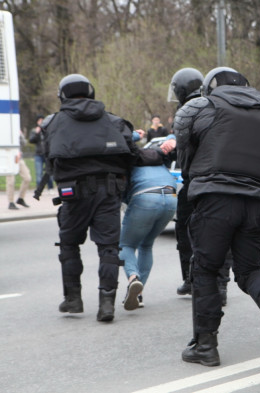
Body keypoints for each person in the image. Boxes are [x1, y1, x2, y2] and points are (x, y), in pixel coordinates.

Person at [175, 66, 260, 367]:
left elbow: (185, 156)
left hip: (215, 200)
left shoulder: (201, 107)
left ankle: (205, 345)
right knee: (249, 269)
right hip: (255, 202)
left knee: (205, 269)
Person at [42, 73, 158, 322]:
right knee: (108, 247)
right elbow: (131, 155)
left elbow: (48, 158)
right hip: (108, 192)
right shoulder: (114, 121)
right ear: (91, 92)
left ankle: (73, 299)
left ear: (62, 94)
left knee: (69, 244)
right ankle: (107, 305)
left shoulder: (53, 122)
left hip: (73, 194)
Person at [167, 67, 232, 304]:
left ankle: (191, 279)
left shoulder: (187, 111)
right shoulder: (215, 105)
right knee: (219, 234)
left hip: (195, 181)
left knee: (186, 233)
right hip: (222, 179)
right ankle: (221, 284)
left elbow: (184, 155)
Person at [119, 134, 178, 311]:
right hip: (171, 197)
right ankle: (138, 293)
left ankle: (133, 279)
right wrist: (172, 139)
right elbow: (174, 134)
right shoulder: (156, 156)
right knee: (146, 245)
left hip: (145, 197)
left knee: (126, 245)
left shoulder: (126, 161)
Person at [6, 129, 32, 210]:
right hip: (8, 158)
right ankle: (11, 202)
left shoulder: (15, 128)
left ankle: (21, 198)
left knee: (27, 178)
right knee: (11, 181)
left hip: (18, 157)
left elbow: (23, 143)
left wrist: (20, 134)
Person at [29, 115, 54, 193]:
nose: (41, 122)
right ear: (37, 122)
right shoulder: (34, 130)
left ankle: (50, 188)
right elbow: (31, 140)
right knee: (38, 173)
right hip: (38, 154)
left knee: (48, 171)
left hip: (47, 154)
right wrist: (37, 133)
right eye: (39, 120)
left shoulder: (48, 130)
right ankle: (39, 189)